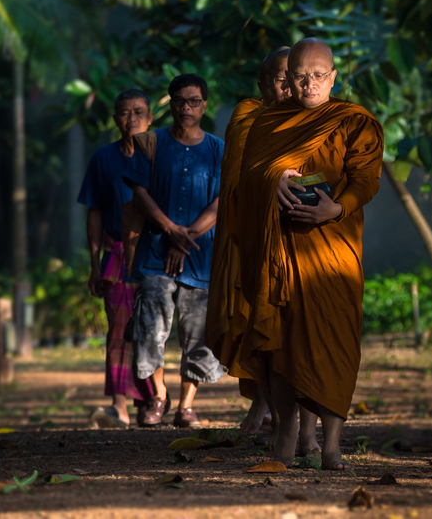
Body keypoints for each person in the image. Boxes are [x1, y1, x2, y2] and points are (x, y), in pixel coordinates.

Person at [227, 38, 383, 469]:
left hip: (334, 251)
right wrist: (271, 180)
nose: (309, 84)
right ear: (287, 79)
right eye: (300, 76)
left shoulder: (354, 121)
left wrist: (337, 207)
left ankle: (331, 446)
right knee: (279, 345)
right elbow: (247, 179)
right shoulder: (268, 122)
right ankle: (285, 439)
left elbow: (365, 179)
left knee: (334, 342)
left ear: (333, 77)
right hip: (279, 253)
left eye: (318, 75)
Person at [207, 47, 317, 446]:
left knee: (302, 333)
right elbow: (235, 183)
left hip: (302, 237)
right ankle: (269, 407)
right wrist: (270, 180)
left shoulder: (316, 118)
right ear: (262, 83)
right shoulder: (247, 117)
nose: (288, 85)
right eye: (279, 78)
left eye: (295, 77)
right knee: (262, 327)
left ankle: (306, 429)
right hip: (249, 237)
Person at [122, 74, 226, 428]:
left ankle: (187, 406)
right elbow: (139, 192)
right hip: (155, 253)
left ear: (205, 105)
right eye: (180, 101)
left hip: (200, 255)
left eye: (194, 101)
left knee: (198, 333)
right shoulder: (153, 143)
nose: (186, 107)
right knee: (151, 327)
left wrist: (187, 237)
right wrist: (169, 229)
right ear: (171, 103)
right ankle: (158, 396)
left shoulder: (217, 149)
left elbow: (222, 200)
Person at [78, 89, 156, 428]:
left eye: (139, 111)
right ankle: (119, 405)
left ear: (150, 117)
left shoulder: (160, 156)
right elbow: (93, 212)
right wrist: (94, 262)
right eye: (125, 112)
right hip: (116, 254)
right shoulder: (103, 160)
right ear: (115, 119)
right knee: (119, 330)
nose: (132, 118)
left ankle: (152, 399)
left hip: (152, 252)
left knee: (152, 329)